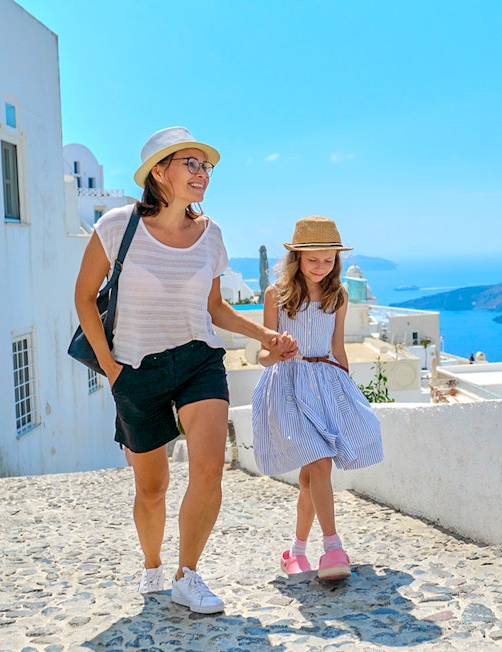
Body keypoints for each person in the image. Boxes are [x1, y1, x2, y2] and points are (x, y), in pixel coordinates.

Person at [74, 126, 297, 614]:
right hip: (137, 371)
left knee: (209, 469)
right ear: (159, 172)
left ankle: (187, 574)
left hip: (199, 360)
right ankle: (153, 565)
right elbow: (84, 298)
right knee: (152, 489)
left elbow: (215, 308)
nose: (202, 174)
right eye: (190, 164)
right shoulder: (117, 227)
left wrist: (266, 336)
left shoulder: (211, 234)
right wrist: (111, 368)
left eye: (206, 166)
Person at [251, 215, 384, 580]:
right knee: (320, 461)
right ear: (297, 258)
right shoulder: (275, 295)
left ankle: (294, 552)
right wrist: (278, 351)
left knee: (311, 478)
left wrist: (349, 395)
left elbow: (337, 347)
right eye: (313, 260)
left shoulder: (337, 296)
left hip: (326, 384)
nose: (321, 267)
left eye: (328, 260)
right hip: (288, 387)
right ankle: (333, 548)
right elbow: (261, 356)